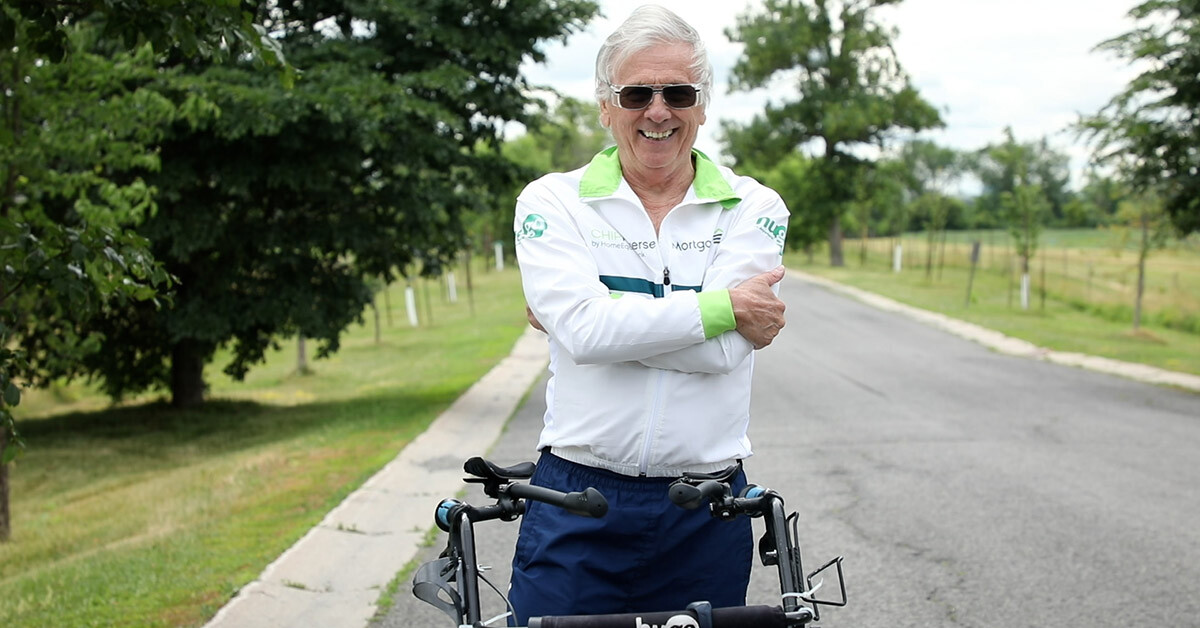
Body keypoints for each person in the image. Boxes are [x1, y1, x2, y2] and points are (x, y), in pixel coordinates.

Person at [509, 5, 789, 623]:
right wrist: (722, 306)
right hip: (577, 495)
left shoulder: (753, 206)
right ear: (605, 106)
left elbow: (721, 352)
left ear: (702, 105)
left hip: (705, 504)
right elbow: (585, 333)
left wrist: (597, 320)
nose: (658, 111)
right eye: (637, 93)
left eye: (678, 93)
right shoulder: (553, 200)